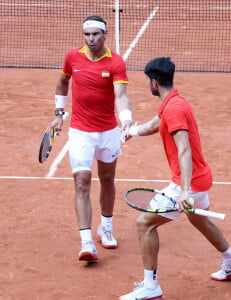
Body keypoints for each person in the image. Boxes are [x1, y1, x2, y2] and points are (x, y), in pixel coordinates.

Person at [120, 57, 231, 300]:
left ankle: (150, 287)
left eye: (148, 80)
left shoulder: (175, 109)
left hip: (188, 183)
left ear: (155, 83)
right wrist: (132, 132)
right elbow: (156, 123)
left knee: (144, 224)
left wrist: (184, 191)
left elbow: (184, 149)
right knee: (200, 220)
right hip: (200, 178)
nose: (148, 84)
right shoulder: (172, 102)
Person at [51, 15, 132, 261]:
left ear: (105, 35)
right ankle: (86, 242)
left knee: (107, 180)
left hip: (108, 132)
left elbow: (121, 96)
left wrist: (126, 119)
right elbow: (63, 81)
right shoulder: (73, 57)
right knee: (82, 183)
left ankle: (105, 227)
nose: (91, 39)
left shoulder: (115, 62)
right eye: (87, 35)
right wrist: (59, 113)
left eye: (96, 34)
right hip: (80, 132)